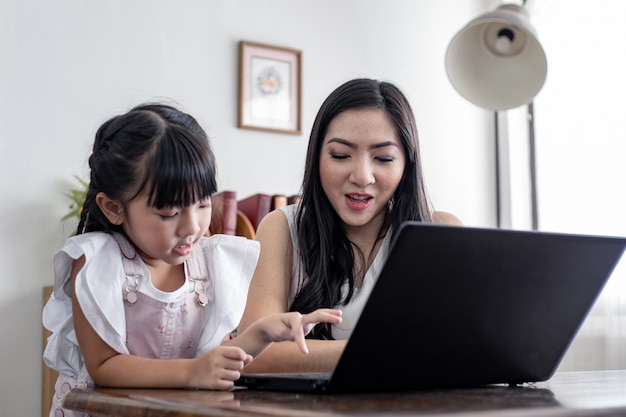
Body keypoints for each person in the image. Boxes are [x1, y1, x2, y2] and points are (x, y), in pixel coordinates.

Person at [42, 103, 342, 416]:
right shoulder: (97, 262)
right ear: (113, 208)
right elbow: (104, 366)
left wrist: (263, 333)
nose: (192, 227)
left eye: (201, 204)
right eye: (169, 213)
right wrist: (193, 372)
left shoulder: (209, 264)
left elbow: (216, 357)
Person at [237, 78, 462, 373]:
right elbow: (254, 355)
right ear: (316, 156)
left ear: (407, 164)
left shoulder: (441, 231)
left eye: (383, 158)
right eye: (341, 155)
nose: (362, 176)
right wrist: (381, 352)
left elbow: (463, 348)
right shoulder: (282, 228)